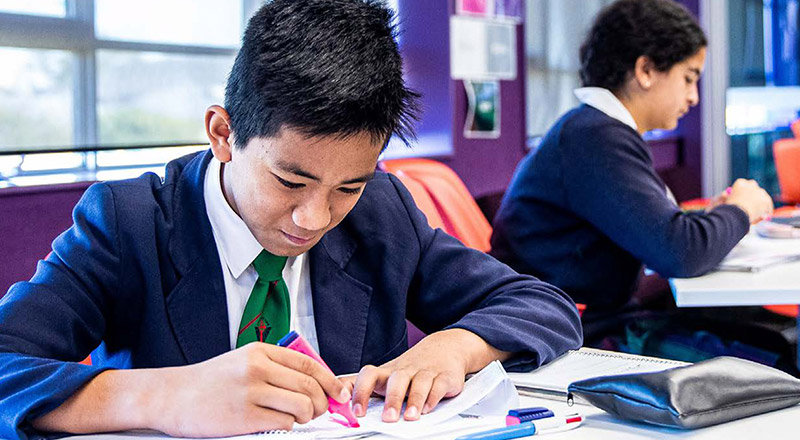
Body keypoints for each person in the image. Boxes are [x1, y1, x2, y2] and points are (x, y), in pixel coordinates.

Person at [0, 1, 582, 439]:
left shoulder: (381, 212)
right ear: (223, 133)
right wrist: (164, 396)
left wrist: (454, 347)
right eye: (290, 181)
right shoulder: (127, 224)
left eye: (348, 185)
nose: (315, 217)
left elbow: (542, 306)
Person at [491, 0, 777, 352]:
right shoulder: (595, 138)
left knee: (769, 338)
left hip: (588, 322)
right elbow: (680, 251)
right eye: (688, 78)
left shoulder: (593, 131)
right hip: (580, 337)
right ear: (645, 70)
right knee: (772, 355)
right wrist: (742, 210)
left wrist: (711, 218)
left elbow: (659, 232)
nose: (693, 96)